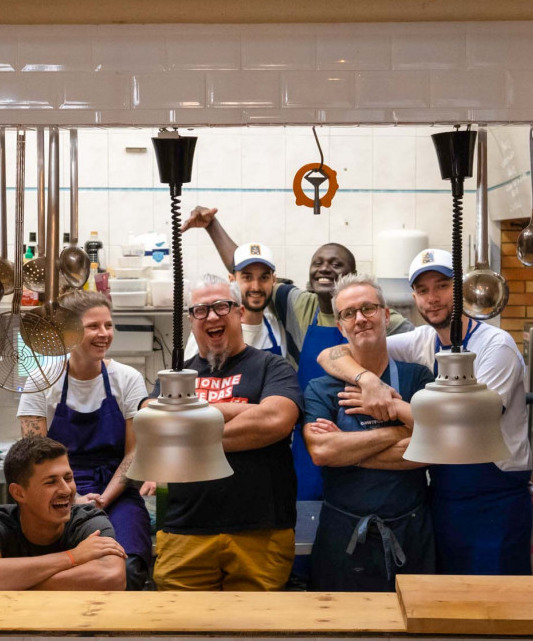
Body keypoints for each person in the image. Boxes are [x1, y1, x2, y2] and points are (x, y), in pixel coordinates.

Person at [316, 248, 533, 575]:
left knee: (495, 605)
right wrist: (367, 380)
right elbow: (331, 354)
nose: (432, 298)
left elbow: (465, 428)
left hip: (495, 500)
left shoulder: (495, 345)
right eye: (422, 290)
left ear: (460, 289)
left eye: (442, 286)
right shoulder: (422, 341)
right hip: (443, 496)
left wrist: (388, 407)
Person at [180, 206, 413, 501]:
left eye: (335, 263)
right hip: (313, 427)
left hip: (365, 419)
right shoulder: (297, 304)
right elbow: (250, 278)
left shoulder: (383, 321)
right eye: (318, 262)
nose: (325, 268)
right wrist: (212, 225)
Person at [152, 274, 303, 591]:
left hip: (262, 531)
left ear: (239, 312)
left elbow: (276, 419)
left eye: (221, 306)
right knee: (176, 633)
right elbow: (160, 433)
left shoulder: (272, 367)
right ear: (192, 320)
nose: (211, 316)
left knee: (257, 635)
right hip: (185, 529)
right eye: (200, 310)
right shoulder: (175, 377)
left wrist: (192, 422)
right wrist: (248, 410)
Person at [302, 273, 436, 591]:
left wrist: (349, 451)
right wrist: (399, 432)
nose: (360, 319)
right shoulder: (321, 388)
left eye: (368, 308)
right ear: (340, 327)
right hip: (342, 535)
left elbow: (430, 448)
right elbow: (323, 452)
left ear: (386, 315)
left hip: (411, 530)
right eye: (349, 313)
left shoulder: (418, 377)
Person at [16, 291, 152, 590]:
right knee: (59, 570)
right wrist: (72, 498)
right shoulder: (41, 378)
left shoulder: (127, 379)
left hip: (115, 490)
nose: (104, 334)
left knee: (127, 568)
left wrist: (104, 499)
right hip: (54, 492)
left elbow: (136, 451)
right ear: (70, 331)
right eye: (93, 326)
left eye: (109, 325)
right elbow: (33, 457)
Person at [0, 436, 127, 591]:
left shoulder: (88, 520)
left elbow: (112, 577)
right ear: (19, 493)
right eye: (51, 482)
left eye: (68, 478)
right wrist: (72, 557)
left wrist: (12, 584)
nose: (66, 490)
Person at [185, 242, 286, 361]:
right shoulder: (211, 330)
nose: (256, 287)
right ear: (232, 281)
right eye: (247, 277)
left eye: (264, 277)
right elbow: (189, 375)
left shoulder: (278, 328)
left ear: (273, 280)